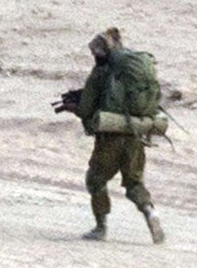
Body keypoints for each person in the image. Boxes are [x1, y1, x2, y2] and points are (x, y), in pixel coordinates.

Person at [57, 28, 167, 243]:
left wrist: (73, 107)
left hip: (110, 138)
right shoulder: (133, 70)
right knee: (134, 183)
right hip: (136, 134)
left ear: (100, 51)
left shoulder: (101, 73)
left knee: (95, 180)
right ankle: (150, 212)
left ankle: (100, 227)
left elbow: (86, 108)